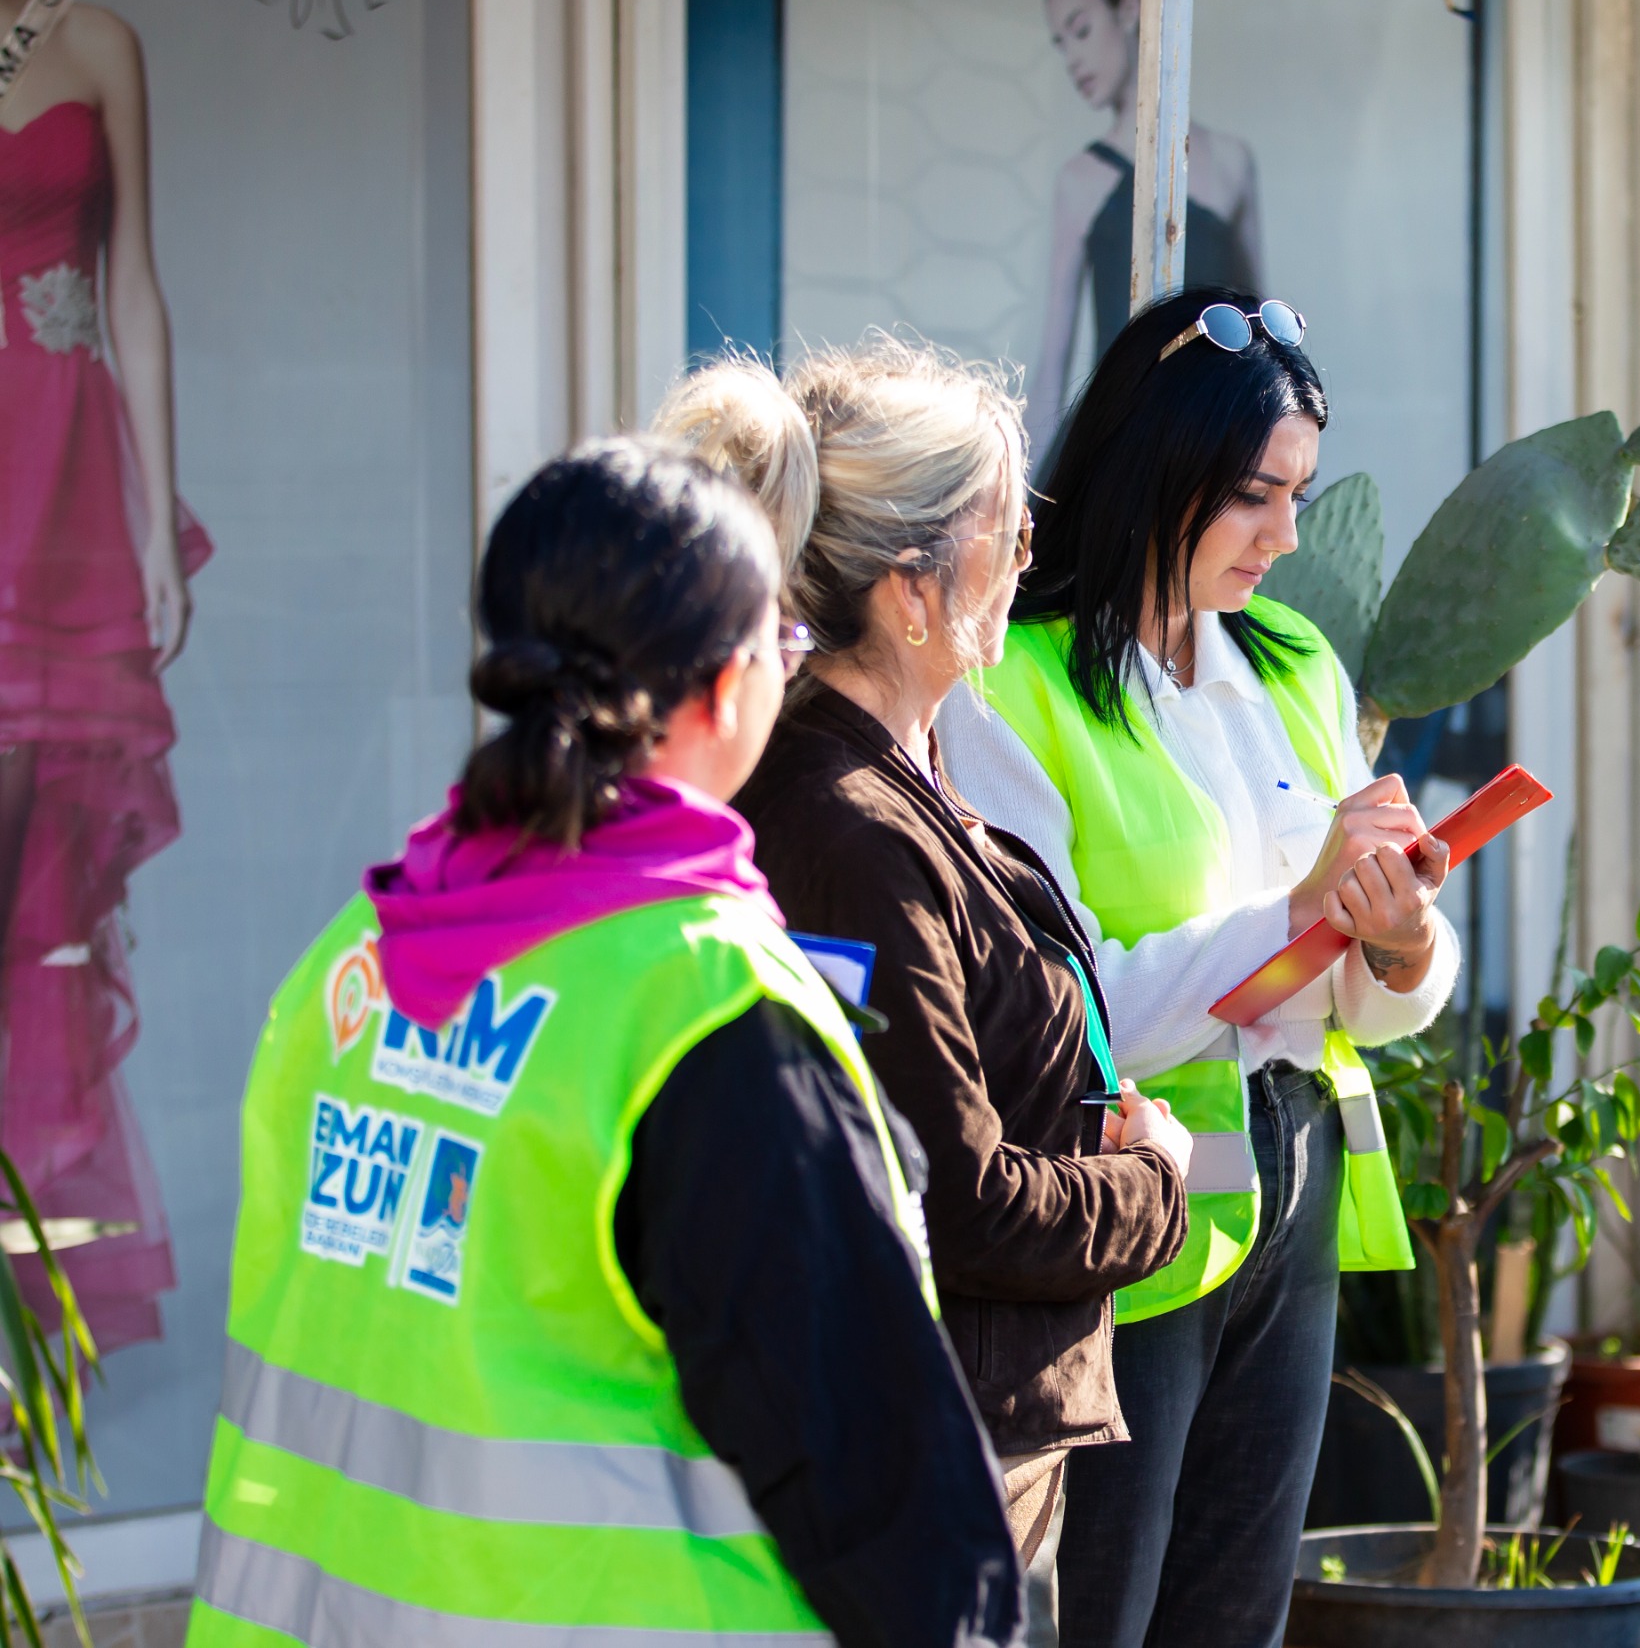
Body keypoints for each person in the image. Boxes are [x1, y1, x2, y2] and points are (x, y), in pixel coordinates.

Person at [190, 439, 1021, 1648]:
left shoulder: (345, 966)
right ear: (725, 692)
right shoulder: (698, 1007)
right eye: (780, 645)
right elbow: (881, 1488)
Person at [939, 289, 1451, 1648]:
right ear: (1154, 469)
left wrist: (1399, 939)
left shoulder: (1291, 659)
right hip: (1127, 1192)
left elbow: (1367, 983)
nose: (1286, 534)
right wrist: (1298, 914)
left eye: (1301, 493)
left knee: (1239, 1607)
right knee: (1104, 1604)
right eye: (1251, 495)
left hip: (1296, 1176)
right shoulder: (1008, 686)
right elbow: (1062, 1006)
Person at [675, 344, 1195, 1607]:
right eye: (1007, 531)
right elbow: (954, 1201)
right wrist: (1150, 1183)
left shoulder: (893, 786)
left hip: (956, 1432)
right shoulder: (847, 828)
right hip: (932, 1451)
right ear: (909, 594)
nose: (1029, 556)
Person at [0, 0, 204, 1349]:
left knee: (30, 904)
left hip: (64, 489)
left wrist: (150, 530)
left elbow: (133, 288)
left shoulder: (101, 43)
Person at [1026, 0, 1263, 460]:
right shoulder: (1081, 180)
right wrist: (1018, 503)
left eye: (1081, 30)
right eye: (1060, 44)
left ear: (1130, 9)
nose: (1072, 60)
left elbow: (1265, 333)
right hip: (1117, 444)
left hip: (1214, 435)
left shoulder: (1231, 162)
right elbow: (1053, 365)